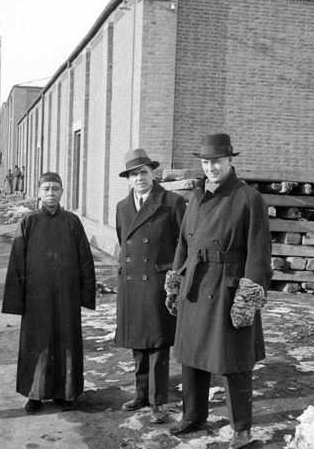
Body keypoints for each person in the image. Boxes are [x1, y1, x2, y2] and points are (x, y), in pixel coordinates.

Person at [165, 134, 272, 449]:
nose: (211, 167)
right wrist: (175, 280)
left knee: (232, 361)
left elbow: (259, 252)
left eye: (217, 161)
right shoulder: (196, 196)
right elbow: (184, 244)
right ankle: (193, 415)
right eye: (205, 162)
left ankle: (241, 427)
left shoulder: (248, 198)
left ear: (230, 161)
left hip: (227, 288)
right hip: (194, 284)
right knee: (191, 355)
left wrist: (247, 296)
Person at [2, 172, 96, 414]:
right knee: (37, 342)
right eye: (46, 189)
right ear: (39, 192)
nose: (51, 193)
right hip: (37, 297)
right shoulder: (28, 221)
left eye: (55, 189)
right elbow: (17, 262)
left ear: (62, 192)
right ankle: (35, 394)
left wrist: (85, 295)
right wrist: (17, 299)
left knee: (66, 342)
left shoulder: (72, 221)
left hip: (67, 296)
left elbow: (85, 259)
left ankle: (65, 393)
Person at [115, 149, 186, 424]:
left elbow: (184, 243)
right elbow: (124, 241)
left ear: (153, 174)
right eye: (134, 174)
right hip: (132, 281)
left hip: (157, 282)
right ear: (129, 180)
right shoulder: (123, 206)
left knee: (157, 343)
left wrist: (175, 276)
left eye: (144, 172)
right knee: (138, 341)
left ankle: (158, 402)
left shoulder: (172, 202)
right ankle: (142, 393)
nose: (139, 178)